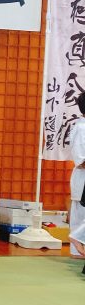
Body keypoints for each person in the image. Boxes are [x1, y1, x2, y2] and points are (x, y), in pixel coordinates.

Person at [69, 92, 85, 258]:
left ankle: (78, 249)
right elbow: (81, 160)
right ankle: (77, 247)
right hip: (83, 179)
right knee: (81, 216)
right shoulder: (82, 128)